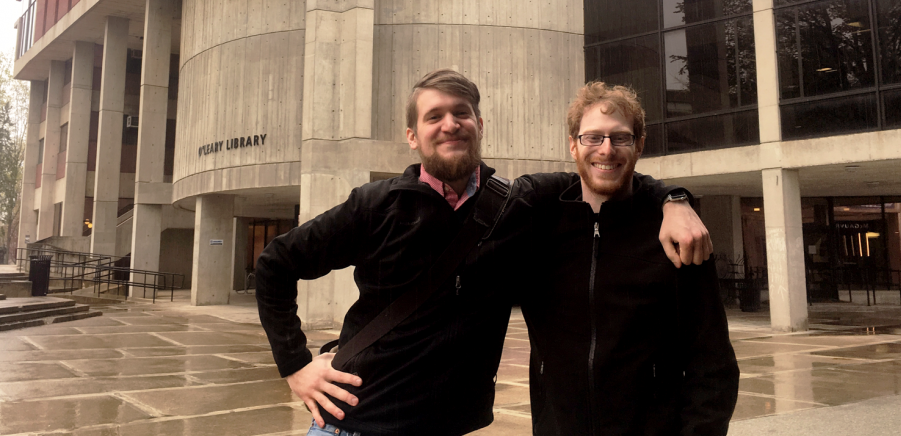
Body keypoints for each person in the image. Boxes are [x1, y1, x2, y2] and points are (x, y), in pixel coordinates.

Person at [255, 70, 712, 436]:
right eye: (434, 116)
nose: (450, 124)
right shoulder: (374, 206)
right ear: (412, 135)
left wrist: (674, 199)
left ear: (479, 125)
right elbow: (275, 264)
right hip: (356, 422)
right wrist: (296, 366)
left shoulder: (520, 203)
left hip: (450, 426)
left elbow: (605, 171)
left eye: (462, 112)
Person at [520, 82, 739, 436]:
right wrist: (673, 195)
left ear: (639, 144)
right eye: (593, 137)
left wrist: (673, 199)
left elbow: (713, 365)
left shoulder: (679, 236)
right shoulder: (540, 228)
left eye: (620, 137)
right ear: (573, 145)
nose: (606, 149)